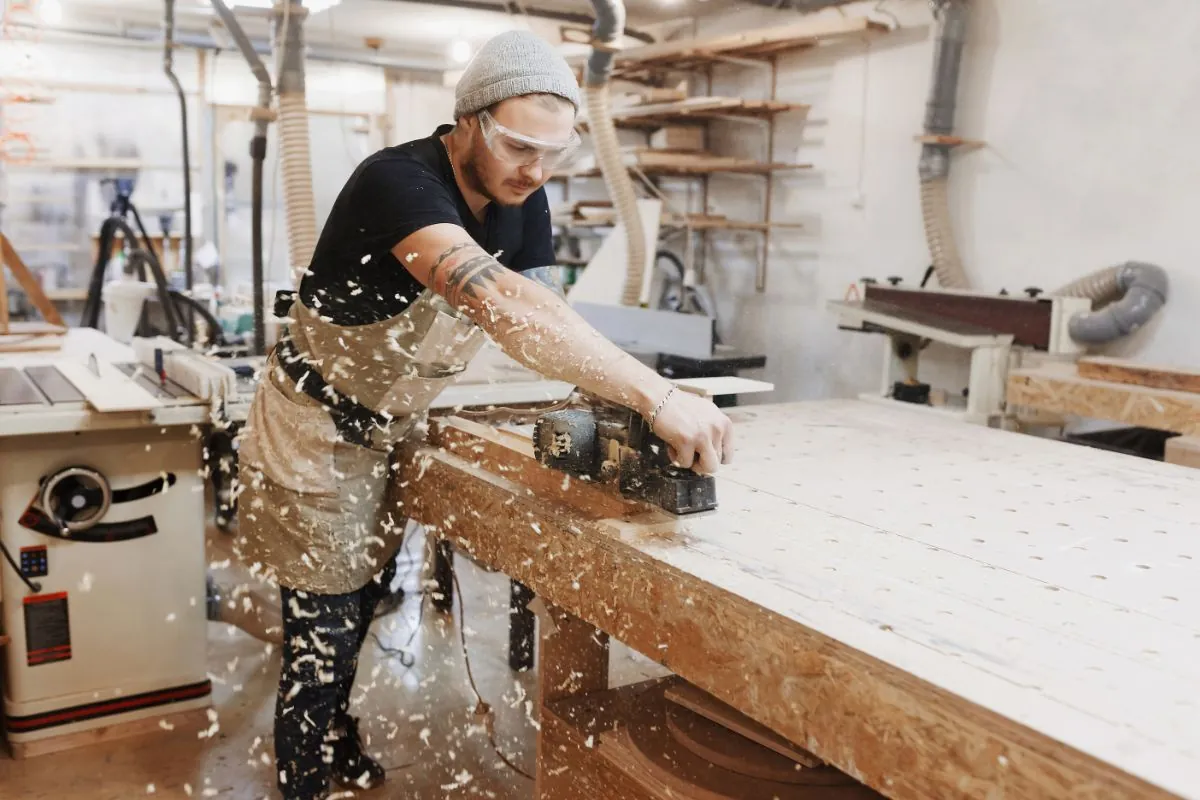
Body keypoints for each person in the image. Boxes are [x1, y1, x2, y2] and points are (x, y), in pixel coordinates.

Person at [233, 29, 734, 800]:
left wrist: (612, 405)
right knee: (320, 632)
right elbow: (501, 303)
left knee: (365, 600)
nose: (534, 173)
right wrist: (657, 396)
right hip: (316, 428)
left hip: (393, 423)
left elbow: (545, 321)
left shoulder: (520, 199)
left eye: (552, 156)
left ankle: (337, 735)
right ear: (466, 121)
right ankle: (302, 778)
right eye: (518, 149)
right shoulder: (396, 182)